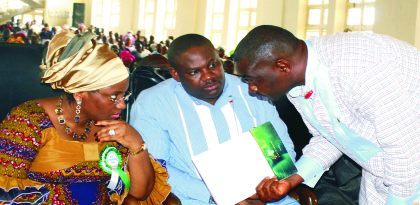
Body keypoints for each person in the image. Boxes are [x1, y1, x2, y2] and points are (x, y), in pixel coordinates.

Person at [234, 25, 420, 205]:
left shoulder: (358, 66)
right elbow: (332, 137)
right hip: (382, 171)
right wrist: (290, 180)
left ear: (283, 67)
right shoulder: (300, 80)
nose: (252, 88)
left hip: (410, 167)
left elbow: (404, 150)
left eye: (253, 79)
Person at [0, 30, 171, 204]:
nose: (122, 105)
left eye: (124, 95)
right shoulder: (28, 121)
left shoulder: (110, 127)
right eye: (114, 96)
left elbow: (139, 193)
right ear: (80, 94)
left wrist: (137, 145)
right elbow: (5, 192)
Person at [130, 34, 298, 205]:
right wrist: (221, 195)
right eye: (195, 72)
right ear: (176, 74)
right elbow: (156, 167)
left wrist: (272, 186)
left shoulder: (251, 90)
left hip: (269, 197)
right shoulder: (154, 102)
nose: (208, 76)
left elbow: (281, 150)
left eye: (213, 65)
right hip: (200, 199)